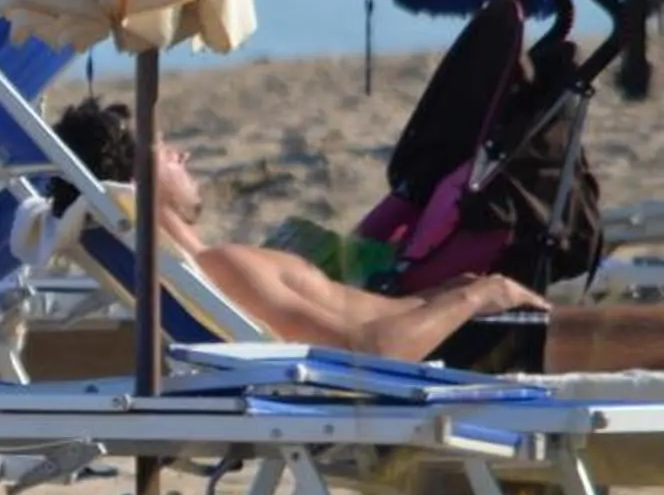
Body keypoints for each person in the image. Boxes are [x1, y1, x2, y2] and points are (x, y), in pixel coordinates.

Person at [49, 99, 546, 364]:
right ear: (138, 181)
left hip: (440, 336)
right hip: (451, 358)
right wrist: (478, 297)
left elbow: (369, 322)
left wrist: (443, 296)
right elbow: (367, 354)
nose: (183, 155)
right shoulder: (225, 267)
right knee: (604, 338)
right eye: (164, 148)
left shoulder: (213, 268)